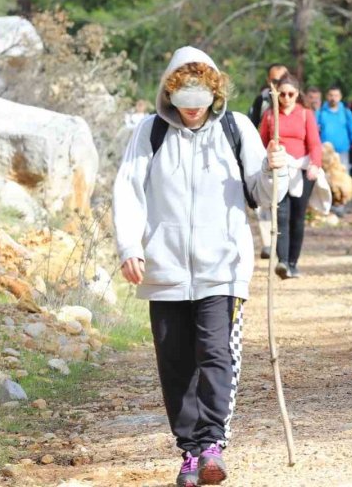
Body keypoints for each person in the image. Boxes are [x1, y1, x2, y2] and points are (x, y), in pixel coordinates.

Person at [113, 46, 288, 487]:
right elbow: (129, 190)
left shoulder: (236, 128)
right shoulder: (150, 132)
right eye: (183, 105)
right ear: (169, 96)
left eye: (200, 104)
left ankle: (211, 446)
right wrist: (129, 246)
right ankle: (188, 451)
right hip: (164, 270)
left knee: (214, 354)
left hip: (222, 268)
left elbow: (264, 194)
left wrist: (276, 171)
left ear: (214, 94)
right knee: (174, 362)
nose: (191, 113)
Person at [259, 73, 323, 279]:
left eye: (290, 94)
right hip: (279, 170)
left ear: (297, 94)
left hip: (301, 171)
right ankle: (283, 262)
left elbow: (314, 143)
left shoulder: (305, 114)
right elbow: (261, 143)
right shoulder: (270, 115)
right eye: (282, 94)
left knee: (297, 218)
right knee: (281, 216)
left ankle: (293, 261)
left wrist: (315, 165)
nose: (286, 98)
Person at [316, 85, 352, 175]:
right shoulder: (320, 112)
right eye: (331, 95)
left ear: (340, 97)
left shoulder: (346, 112)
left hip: (343, 151)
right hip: (325, 152)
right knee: (325, 181)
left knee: (343, 178)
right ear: (327, 96)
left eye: (336, 95)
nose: (333, 98)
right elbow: (314, 130)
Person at [247, 63, 288, 128]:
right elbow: (251, 126)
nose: (280, 84)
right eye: (275, 81)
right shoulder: (261, 99)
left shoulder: (297, 101)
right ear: (268, 81)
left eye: (283, 80)